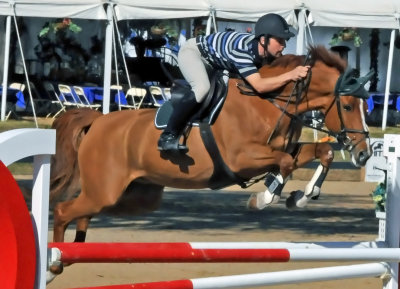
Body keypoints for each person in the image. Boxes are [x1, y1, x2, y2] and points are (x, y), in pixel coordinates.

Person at [158, 13, 310, 153]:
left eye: (285, 40)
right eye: (280, 40)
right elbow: (259, 85)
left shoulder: (264, 50)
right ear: (264, 40)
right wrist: (291, 74)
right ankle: (168, 136)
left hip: (215, 61)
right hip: (194, 53)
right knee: (202, 88)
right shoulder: (242, 52)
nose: (284, 44)